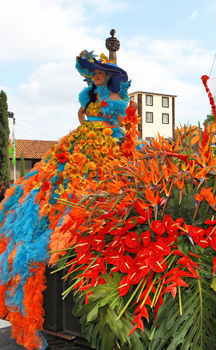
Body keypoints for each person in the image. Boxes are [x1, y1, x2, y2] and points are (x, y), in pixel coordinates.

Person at [0, 50, 137, 350]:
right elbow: (82, 116)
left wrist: (117, 128)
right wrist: (87, 125)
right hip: (83, 142)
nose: (96, 75)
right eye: (94, 72)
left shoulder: (116, 98)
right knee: (52, 189)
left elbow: (126, 120)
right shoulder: (87, 97)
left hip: (107, 145)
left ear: (109, 75)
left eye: (100, 72)